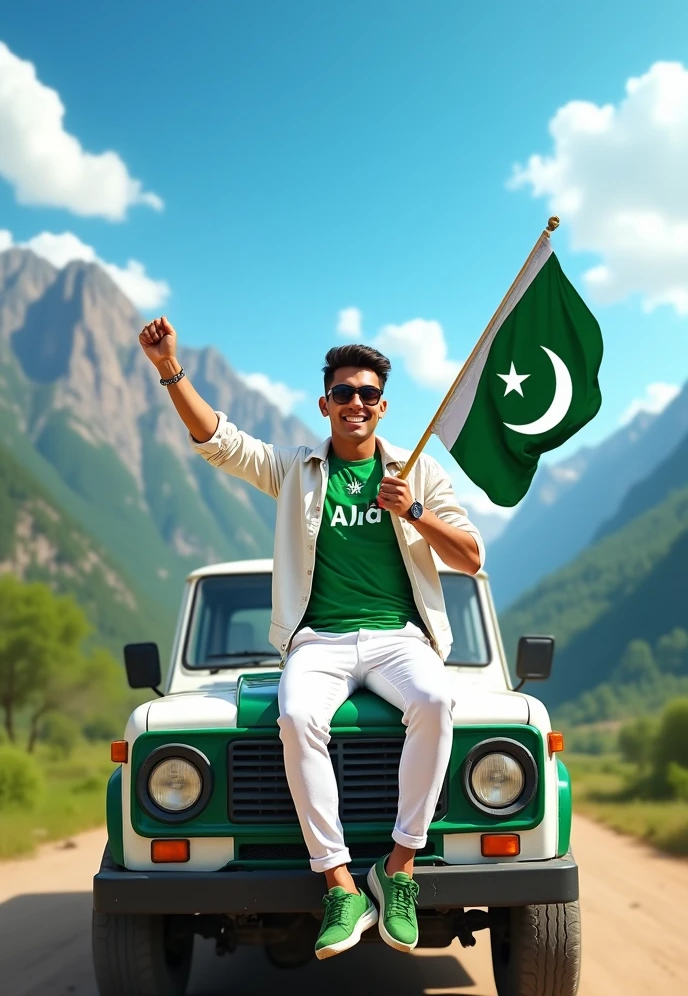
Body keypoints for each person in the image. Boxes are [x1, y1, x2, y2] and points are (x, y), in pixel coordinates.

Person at [139, 316, 485, 960]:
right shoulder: (296, 470)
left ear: (383, 406)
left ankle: (399, 869)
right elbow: (219, 440)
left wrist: (412, 511)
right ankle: (339, 882)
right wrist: (169, 369)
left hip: (399, 639)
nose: (356, 402)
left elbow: (470, 557)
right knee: (295, 716)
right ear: (324, 404)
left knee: (438, 704)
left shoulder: (420, 472)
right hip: (317, 641)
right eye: (344, 392)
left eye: (368, 393)